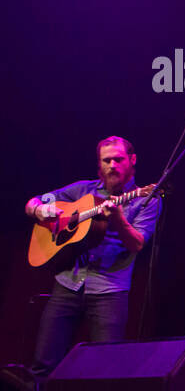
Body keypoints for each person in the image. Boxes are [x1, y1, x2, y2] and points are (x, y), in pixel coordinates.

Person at [25, 136, 161, 377]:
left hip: (109, 291)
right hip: (67, 283)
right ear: (99, 164)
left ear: (132, 160)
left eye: (118, 159)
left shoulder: (147, 199)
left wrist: (118, 219)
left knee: (104, 370)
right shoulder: (82, 190)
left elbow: (137, 243)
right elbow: (32, 203)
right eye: (106, 160)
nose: (112, 165)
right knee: (43, 365)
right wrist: (40, 210)